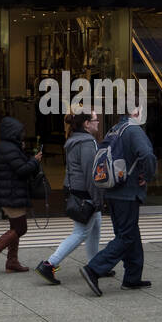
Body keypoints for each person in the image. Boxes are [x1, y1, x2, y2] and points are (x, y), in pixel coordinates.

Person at [79, 109, 157, 296]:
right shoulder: (134, 130)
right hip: (127, 192)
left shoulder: (115, 129)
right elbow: (146, 154)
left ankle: (132, 277)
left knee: (130, 233)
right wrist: (147, 175)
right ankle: (94, 269)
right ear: (136, 112)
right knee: (126, 236)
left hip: (112, 190)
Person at [37, 111, 103, 285]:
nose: (98, 123)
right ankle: (49, 264)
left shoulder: (74, 140)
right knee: (81, 233)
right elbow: (91, 174)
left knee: (95, 226)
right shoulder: (87, 143)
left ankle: (94, 266)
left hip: (76, 190)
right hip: (85, 193)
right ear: (87, 124)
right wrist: (97, 199)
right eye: (95, 120)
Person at [0, 116, 41, 273]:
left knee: (15, 227)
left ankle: (12, 261)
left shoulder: (9, 147)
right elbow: (21, 170)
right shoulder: (9, 148)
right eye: (20, 131)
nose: (22, 134)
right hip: (11, 194)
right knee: (21, 228)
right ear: (13, 132)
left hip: (11, 192)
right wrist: (34, 161)